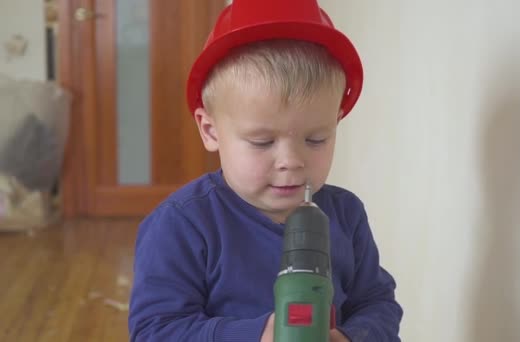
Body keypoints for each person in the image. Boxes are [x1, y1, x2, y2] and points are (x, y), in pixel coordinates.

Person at [128, 0, 403, 341]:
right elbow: (155, 332)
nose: (291, 161)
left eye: (316, 139)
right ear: (211, 131)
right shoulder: (181, 225)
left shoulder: (346, 215)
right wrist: (255, 335)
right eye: (261, 142)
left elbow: (378, 304)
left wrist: (350, 337)